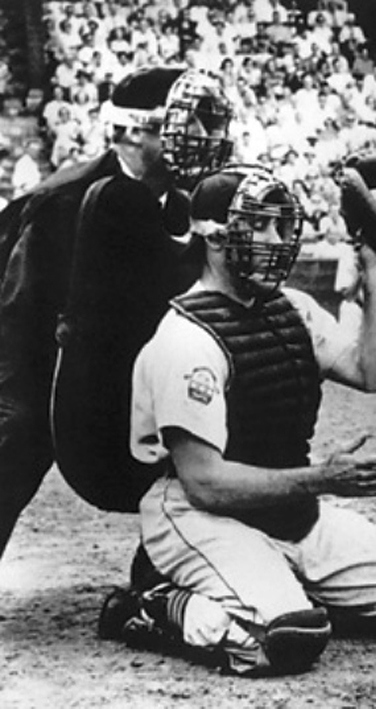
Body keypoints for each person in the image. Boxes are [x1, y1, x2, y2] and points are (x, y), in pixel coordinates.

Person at [98, 165, 376, 676]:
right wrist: (323, 479)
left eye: (282, 226)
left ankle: (274, 583)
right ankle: (152, 603)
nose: (277, 239)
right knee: (287, 639)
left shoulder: (294, 309)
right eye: (261, 226)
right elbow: (203, 483)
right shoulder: (185, 340)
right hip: (202, 514)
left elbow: (373, 372)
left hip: (288, 510)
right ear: (216, 238)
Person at [0, 66, 232, 562]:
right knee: (19, 429)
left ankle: (172, 568)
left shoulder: (179, 204)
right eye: (191, 124)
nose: (207, 139)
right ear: (132, 130)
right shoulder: (64, 201)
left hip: (112, 354)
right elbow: (19, 314)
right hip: (34, 351)